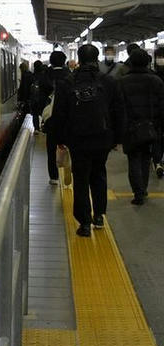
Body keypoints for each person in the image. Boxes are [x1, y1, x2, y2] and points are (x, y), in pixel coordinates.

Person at [51, 44, 125, 237]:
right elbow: (118, 112)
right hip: (103, 138)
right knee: (99, 174)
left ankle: (84, 223)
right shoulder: (109, 82)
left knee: (81, 179)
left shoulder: (67, 82)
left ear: (79, 59)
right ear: (97, 57)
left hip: (78, 140)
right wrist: (118, 138)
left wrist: (60, 139)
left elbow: (59, 114)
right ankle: (99, 216)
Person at [119, 49, 164, 205]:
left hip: (130, 127)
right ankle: (143, 189)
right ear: (148, 62)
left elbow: (119, 108)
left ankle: (138, 192)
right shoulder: (157, 81)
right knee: (146, 158)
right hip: (151, 126)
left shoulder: (123, 82)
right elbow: (161, 106)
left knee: (133, 159)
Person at [41, 51, 71, 184]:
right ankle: (69, 171)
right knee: (69, 145)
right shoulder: (70, 76)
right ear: (64, 61)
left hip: (51, 118)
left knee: (51, 148)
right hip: (67, 118)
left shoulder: (45, 75)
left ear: (51, 62)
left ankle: (53, 177)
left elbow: (42, 95)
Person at [153, 46, 164, 177]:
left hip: (155, 112)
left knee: (157, 138)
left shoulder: (153, 76)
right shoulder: (153, 76)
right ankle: (158, 162)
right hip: (156, 112)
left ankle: (157, 162)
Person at [29, 60, 49, 133]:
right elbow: (48, 87)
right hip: (43, 98)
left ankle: (36, 129)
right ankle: (43, 125)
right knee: (43, 112)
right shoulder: (44, 76)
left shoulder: (32, 76)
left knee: (35, 114)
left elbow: (28, 88)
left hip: (33, 99)